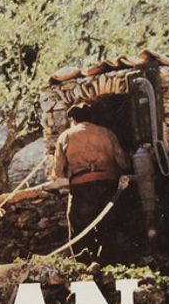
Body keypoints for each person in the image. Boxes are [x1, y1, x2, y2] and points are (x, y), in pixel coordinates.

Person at [53, 102, 131, 261]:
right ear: (92, 118)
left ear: (73, 119)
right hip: (107, 185)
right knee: (108, 225)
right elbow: (123, 162)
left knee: (79, 226)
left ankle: (84, 263)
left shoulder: (66, 136)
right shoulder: (107, 133)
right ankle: (109, 262)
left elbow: (58, 171)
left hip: (81, 188)